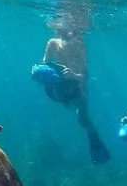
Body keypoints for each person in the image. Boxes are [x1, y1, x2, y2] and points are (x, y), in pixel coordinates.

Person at [40, 15, 110, 164]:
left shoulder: (80, 45)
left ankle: (95, 139)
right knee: (66, 105)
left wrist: (73, 75)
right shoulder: (52, 43)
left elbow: (84, 76)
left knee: (82, 118)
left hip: (78, 86)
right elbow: (44, 64)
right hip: (60, 85)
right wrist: (42, 74)